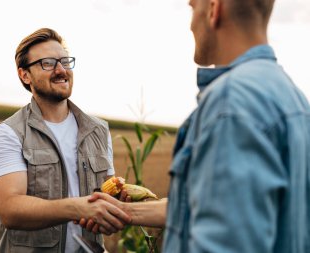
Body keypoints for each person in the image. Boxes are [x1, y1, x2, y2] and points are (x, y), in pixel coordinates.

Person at [84, 0, 310, 252]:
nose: (191, 22)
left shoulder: (230, 104)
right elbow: (219, 207)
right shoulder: (293, 98)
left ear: (214, 9)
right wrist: (125, 210)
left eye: (193, 8)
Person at [0, 28, 131, 253]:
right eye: (48, 63)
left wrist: (115, 206)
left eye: (65, 61)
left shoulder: (99, 130)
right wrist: (78, 208)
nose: (61, 70)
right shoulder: (9, 133)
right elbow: (10, 210)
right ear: (25, 75)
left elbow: (106, 193)